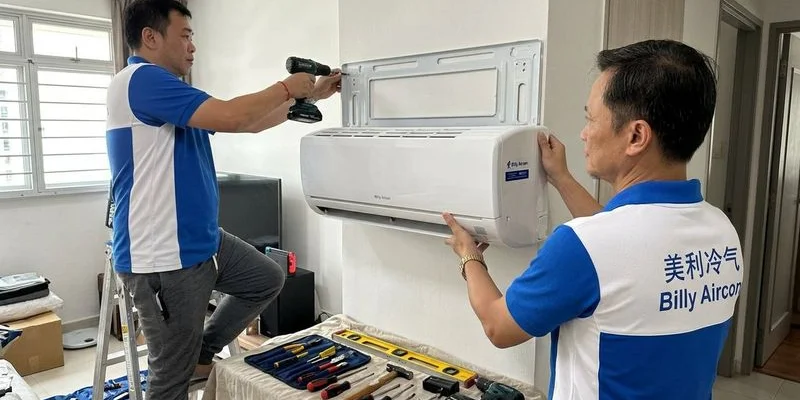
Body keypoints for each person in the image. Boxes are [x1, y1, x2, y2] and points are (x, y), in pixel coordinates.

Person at [442, 39, 744, 399]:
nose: (584, 133)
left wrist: (467, 254)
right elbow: (624, 256)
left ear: (636, 135)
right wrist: (562, 178)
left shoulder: (584, 246)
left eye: (590, 118)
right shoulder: (722, 231)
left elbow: (498, 325)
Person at [105, 1, 341, 398]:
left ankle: (201, 349)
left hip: (201, 241)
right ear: (150, 37)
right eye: (185, 36)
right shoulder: (139, 80)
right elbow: (234, 115)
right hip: (163, 257)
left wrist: (311, 96)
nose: (193, 46)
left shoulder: (170, 91)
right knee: (169, 383)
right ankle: (189, 357)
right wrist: (287, 87)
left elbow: (247, 122)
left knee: (267, 277)